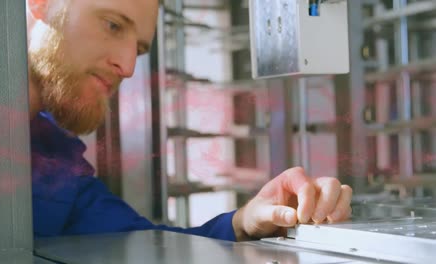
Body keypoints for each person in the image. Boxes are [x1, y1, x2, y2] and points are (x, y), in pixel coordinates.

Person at [27, 0, 353, 242]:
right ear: (40, 3)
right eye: (112, 25)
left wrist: (244, 222)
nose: (127, 66)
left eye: (139, 50)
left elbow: (140, 247)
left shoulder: (55, 160)